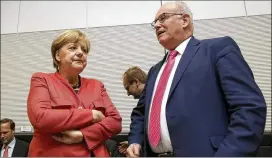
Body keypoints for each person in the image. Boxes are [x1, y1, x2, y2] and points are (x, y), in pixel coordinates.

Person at [126, 1, 267, 157]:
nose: (157, 25)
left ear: (185, 20)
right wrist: (135, 141)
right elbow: (140, 113)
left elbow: (248, 108)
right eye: (155, 23)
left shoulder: (217, 49)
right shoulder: (154, 71)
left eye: (163, 18)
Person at [27, 29, 122, 157]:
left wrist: (83, 135)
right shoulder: (42, 79)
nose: (80, 53)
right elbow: (40, 118)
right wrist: (92, 115)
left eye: (84, 50)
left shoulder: (96, 85)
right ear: (57, 56)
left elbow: (115, 122)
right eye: (72, 48)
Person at [118, 66, 147, 155]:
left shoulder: (148, 98)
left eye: (127, 88)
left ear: (135, 82)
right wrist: (135, 143)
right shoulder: (147, 98)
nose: (128, 93)